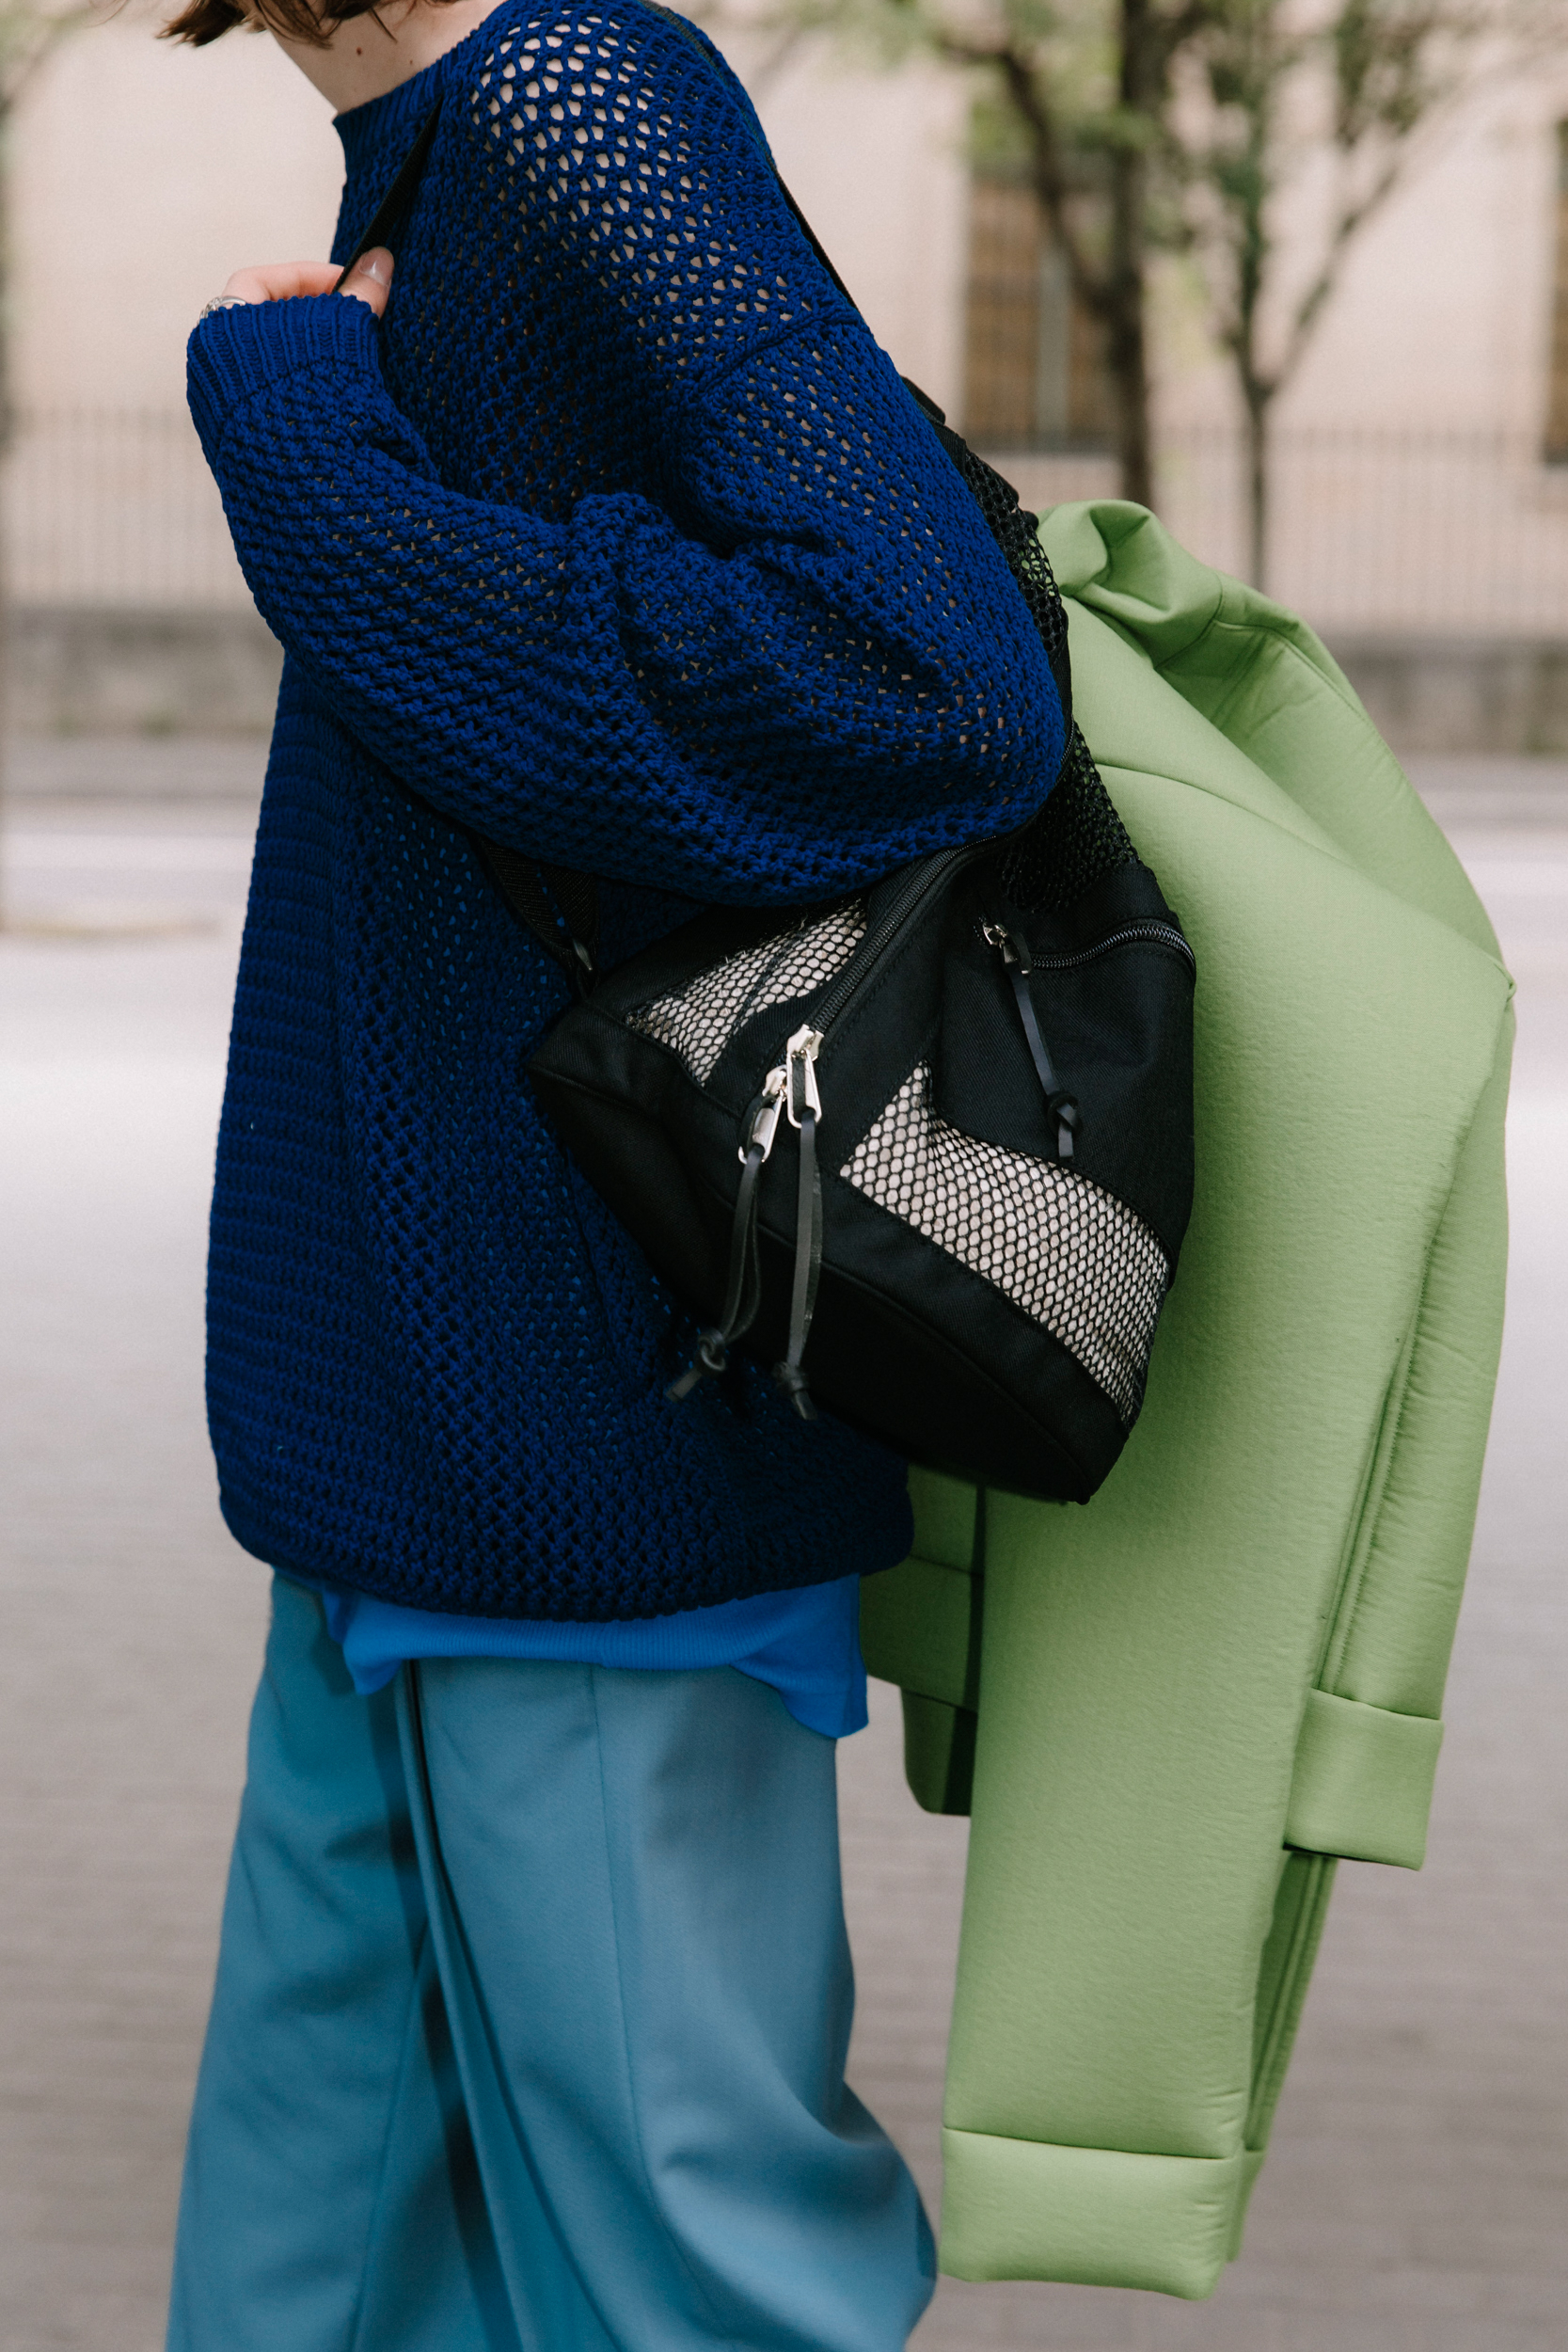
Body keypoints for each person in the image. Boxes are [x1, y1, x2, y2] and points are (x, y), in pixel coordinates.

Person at [162, 0, 1067, 2342]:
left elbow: (926, 672)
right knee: (316, 2278)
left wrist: (325, 490)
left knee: (696, 2284)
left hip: (592, 1463)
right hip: (392, 1452)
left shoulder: (582, 100)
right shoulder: (413, 152)